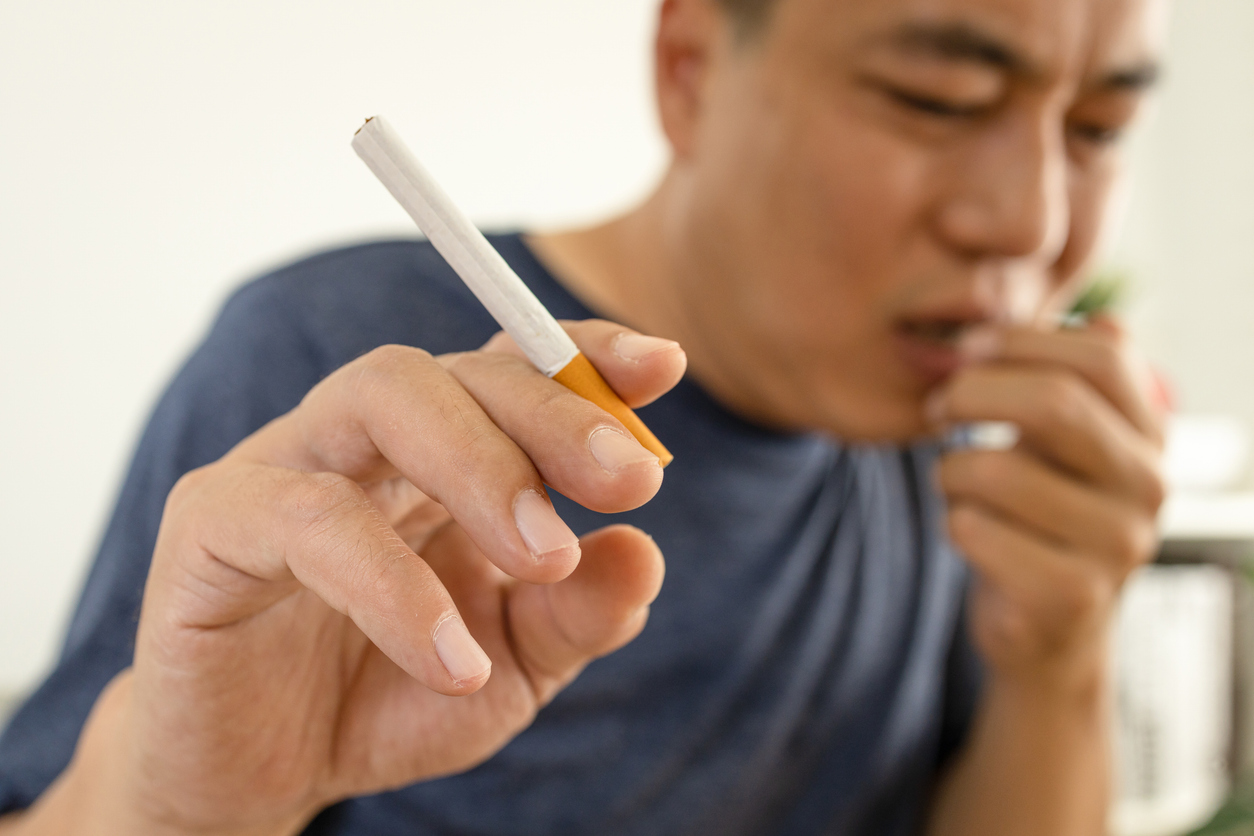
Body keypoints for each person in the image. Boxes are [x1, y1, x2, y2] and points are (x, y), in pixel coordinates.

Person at [0, 0, 1168, 833]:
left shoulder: (955, 443)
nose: (1030, 221)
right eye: (939, 97)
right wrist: (174, 813)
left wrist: (1057, 658)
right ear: (691, 71)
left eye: (1100, 127)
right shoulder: (342, 379)